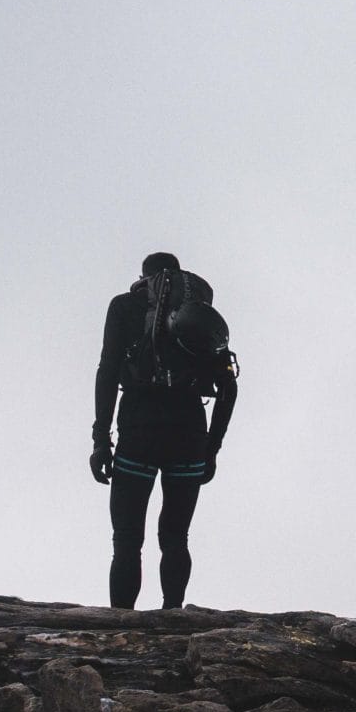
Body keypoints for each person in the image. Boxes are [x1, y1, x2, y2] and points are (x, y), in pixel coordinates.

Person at [92, 252, 237, 609]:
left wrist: (100, 440)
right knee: (175, 537)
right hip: (189, 435)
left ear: (143, 275)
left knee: (127, 539)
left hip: (139, 430)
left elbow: (108, 372)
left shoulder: (125, 306)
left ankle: (119, 623)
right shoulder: (197, 314)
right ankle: (173, 615)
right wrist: (211, 448)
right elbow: (229, 388)